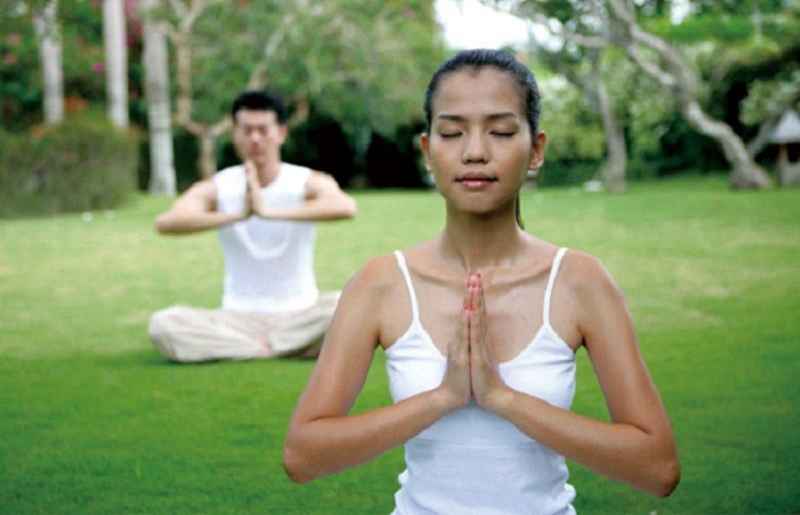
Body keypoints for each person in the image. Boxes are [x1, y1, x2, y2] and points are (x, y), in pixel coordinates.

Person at [283, 49, 679, 513]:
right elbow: (303, 455)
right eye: (452, 133)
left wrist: (502, 397)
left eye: (501, 131)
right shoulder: (382, 283)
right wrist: (443, 397)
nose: (474, 152)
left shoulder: (579, 281)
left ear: (535, 150)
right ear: (428, 152)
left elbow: (657, 468)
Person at [148, 90, 357, 363]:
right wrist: (239, 215)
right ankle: (279, 347)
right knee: (164, 324)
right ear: (235, 134)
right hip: (237, 318)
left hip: (301, 312)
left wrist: (268, 212)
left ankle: (248, 348)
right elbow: (166, 222)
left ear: (280, 133)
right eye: (246, 130)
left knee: (351, 306)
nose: (255, 138)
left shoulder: (304, 180)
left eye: (262, 130)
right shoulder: (220, 186)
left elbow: (345, 207)